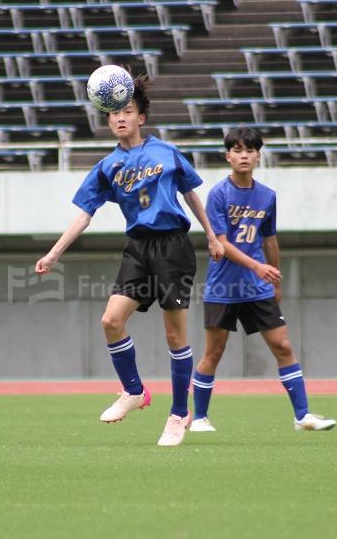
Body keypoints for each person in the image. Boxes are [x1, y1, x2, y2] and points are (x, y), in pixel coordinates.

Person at [35, 74, 225, 446]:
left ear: (141, 117)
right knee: (111, 320)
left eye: (128, 111)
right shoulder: (108, 166)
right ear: (107, 120)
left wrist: (213, 236)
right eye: (114, 113)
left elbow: (191, 195)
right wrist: (54, 253)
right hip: (138, 248)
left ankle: (178, 414)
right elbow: (84, 214)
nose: (121, 118)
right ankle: (134, 391)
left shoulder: (166, 152)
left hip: (172, 246)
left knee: (174, 335)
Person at [190, 126, 335, 433]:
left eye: (250, 150)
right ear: (228, 156)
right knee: (213, 352)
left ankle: (302, 416)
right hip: (223, 287)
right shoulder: (218, 194)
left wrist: (275, 281)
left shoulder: (267, 196)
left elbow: (270, 240)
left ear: (258, 156)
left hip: (257, 288)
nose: (244, 156)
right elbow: (221, 243)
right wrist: (258, 267)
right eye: (237, 150)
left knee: (283, 346)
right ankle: (199, 417)